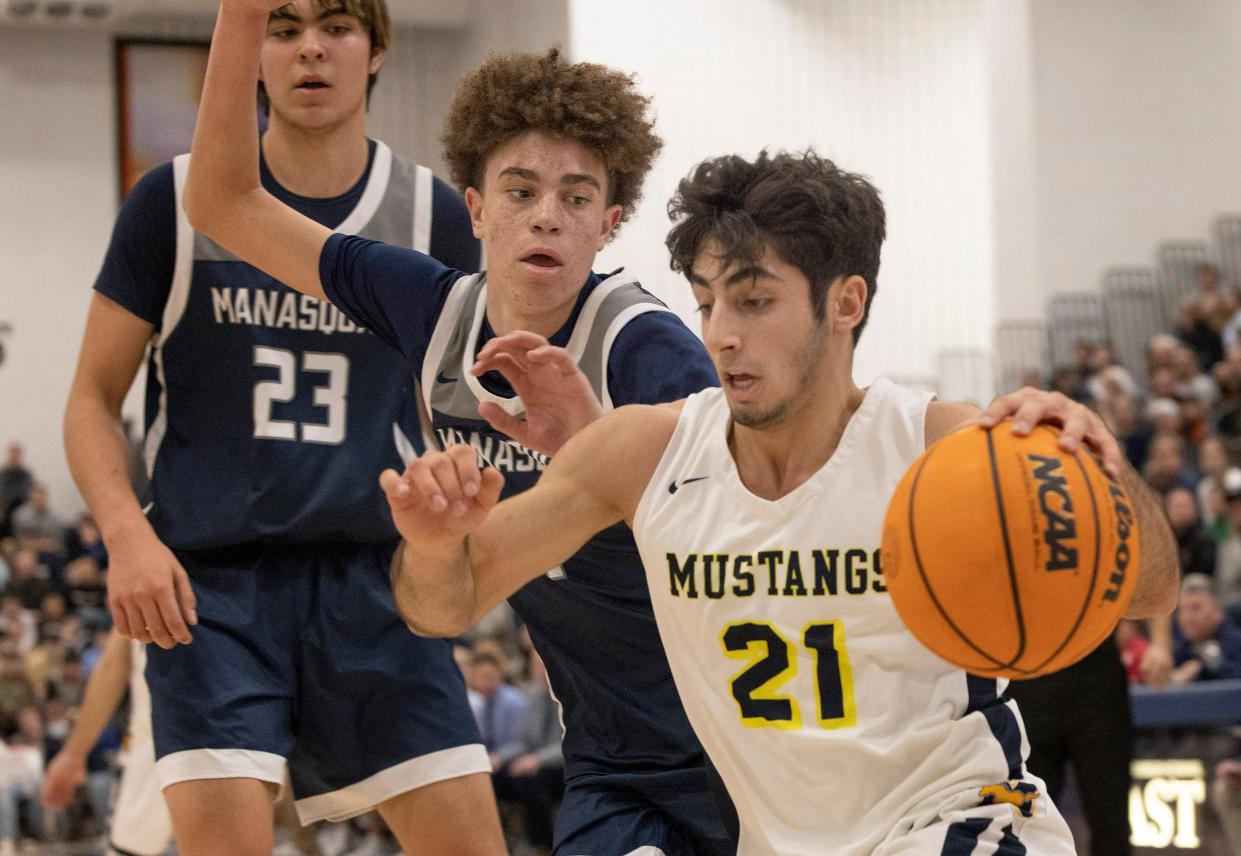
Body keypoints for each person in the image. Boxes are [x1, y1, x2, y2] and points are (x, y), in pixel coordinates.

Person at [380, 150, 1181, 855]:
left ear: (845, 303)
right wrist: (431, 542)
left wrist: (1097, 468)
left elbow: (1152, 589)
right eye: (705, 301)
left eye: (753, 300)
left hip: (960, 824)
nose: (720, 334)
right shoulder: (640, 453)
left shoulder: (942, 448)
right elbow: (443, 605)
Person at [183, 3, 733, 853]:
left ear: (607, 223)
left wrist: (602, 449)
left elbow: (741, 543)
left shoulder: (645, 349)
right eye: (521, 190)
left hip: (735, 739)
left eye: (575, 196)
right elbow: (224, 200)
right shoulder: (431, 306)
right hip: (611, 757)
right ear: (474, 208)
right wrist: (243, 14)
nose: (546, 214)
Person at [62, 1, 503, 853]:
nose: (309, 48)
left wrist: (455, 489)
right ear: (249, 45)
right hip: (213, 588)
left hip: (376, 580)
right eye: (284, 24)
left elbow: (468, 408)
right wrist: (125, 536)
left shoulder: (435, 218)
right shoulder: (170, 201)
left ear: (375, 51)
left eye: (335, 26)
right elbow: (90, 396)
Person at [1171, 573, 1241, 682]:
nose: (1188, 618)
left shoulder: (1237, 644)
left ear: (1218, 610)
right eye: (1181, 610)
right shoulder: (1177, 649)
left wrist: (1218, 666)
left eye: (1196, 608)